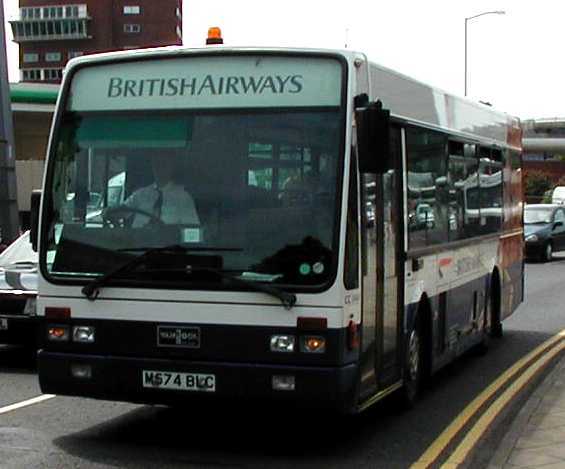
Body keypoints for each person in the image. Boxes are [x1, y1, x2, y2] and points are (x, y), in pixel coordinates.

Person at [120, 152, 199, 228]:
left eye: (163, 164)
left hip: (168, 241)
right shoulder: (140, 194)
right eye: (156, 163)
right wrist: (110, 212)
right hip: (137, 240)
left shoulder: (183, 198)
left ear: (171, 167)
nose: (159, 168)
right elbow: (120, 211)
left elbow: (192, 229)